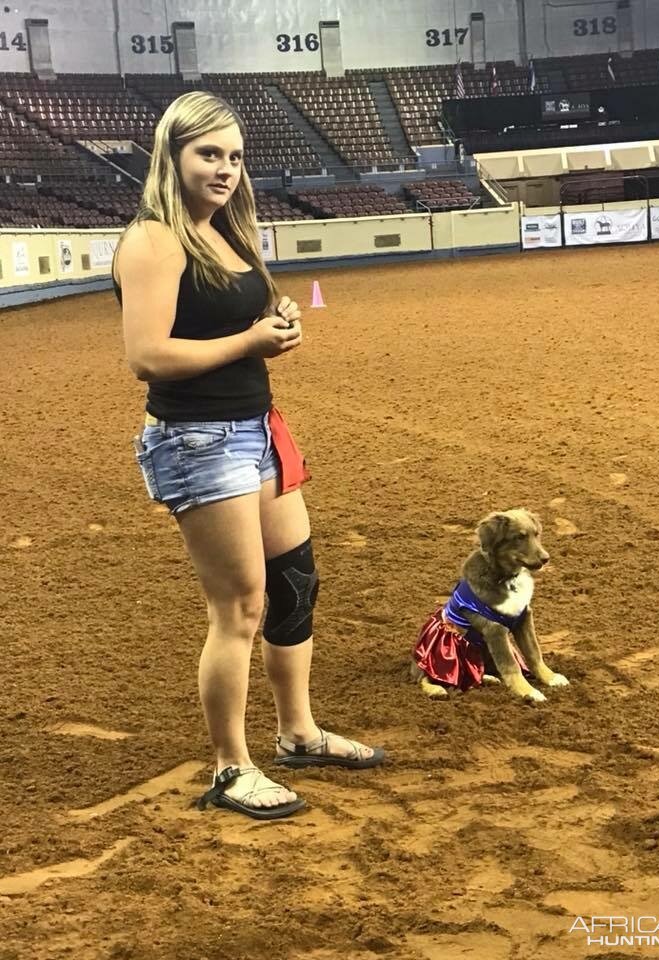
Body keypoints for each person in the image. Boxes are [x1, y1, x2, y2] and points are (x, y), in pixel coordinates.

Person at [112, 91, 384, 820]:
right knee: (239, 607)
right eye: (209, 154)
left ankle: (297, 732)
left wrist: (275, 322)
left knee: (295, 585)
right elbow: (147, 355)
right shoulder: (154, 239)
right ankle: (233, 766)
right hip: (198, 441)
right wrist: (251, 342)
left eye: (234, 156)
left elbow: (229, 320)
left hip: (254, 430)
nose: (226, 169)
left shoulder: (221, 231)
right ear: (172, 156)